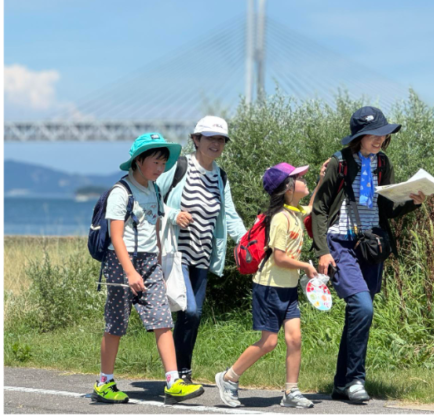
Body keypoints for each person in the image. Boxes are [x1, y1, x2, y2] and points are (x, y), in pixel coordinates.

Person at [311, 107, 426, 404]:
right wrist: (322, 251)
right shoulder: (340, 163)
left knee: (358, 315)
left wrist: (412, 203)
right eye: (373, 135)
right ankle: (356, 380)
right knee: (362, 307)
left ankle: (341, 383)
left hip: (370, 246)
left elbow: (386, 209)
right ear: (359, 137)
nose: (379, 139)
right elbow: (320, 209)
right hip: (341, 243)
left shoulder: (383, 163)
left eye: (383, 134)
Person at [93, 132, 205, 405]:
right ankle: (104, 382)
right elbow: (116, 237)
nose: (161, 168)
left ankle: (173, 381)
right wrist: (130, 271)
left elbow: (155, 227)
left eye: (164, 162)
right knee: (116, 325)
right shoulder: (121, 192)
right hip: (122, 264)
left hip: (149, 262)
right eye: (156, 162)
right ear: (138, 161)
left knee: (163, 319)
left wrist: (157, 261)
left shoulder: (155, 190)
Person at [215, 162, 326, 409]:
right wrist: (306, 267)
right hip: (269, 287)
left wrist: (320, 180)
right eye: (298, 177)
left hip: (287, 288)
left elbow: (312, 204)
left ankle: (291, 392)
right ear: (288, 187)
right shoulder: (280, 219)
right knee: (269, 342)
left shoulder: (295, 212)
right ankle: (228, 378)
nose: (303, 180)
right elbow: (279, 258)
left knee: (295, 338)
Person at [157, 116, 246, 384]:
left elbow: (230, 214)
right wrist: (173, 214)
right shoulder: (179, 166)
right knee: (190, 311)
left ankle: (181, 372)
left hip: (203, 256)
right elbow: (151, 199)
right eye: (210, 138)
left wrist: (246, 241)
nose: (216, 144)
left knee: (193, 317)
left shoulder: (220, 176)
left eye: (220, 139)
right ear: (196, 140)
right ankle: (176, 372)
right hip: (176, 253)